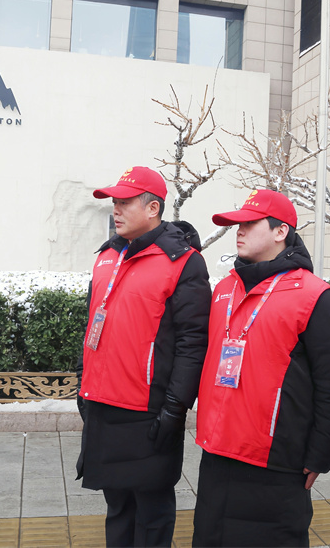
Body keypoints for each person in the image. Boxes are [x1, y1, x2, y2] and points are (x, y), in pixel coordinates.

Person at [192, 189, 330, 547]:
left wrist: (321, 453)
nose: (239, 231)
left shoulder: (314, 295)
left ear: (281, 231)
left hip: (275, 459)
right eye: (237, 224)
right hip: (217, 452)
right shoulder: (225, 288)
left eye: (250, 224)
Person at [76, 166, 211, 547]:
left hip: (149, 412)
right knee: (117, 508)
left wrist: (175, 408)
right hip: (103, 406)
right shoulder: (108, 255)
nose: (115, 210)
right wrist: (83, 384)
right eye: (114, 202)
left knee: (151, 512)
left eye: (125, 202)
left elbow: (193, 342)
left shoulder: (183, 261)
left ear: (153, 208)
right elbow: (92, 326)